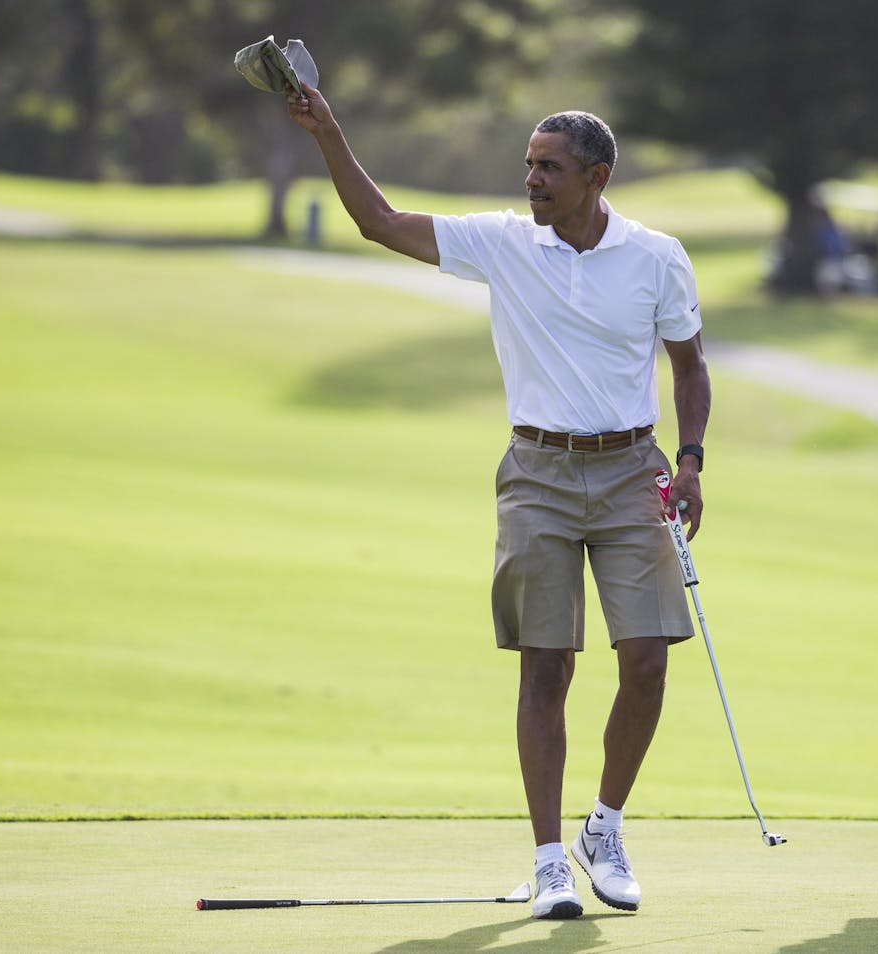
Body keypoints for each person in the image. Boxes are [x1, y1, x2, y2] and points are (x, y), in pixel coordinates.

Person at [287, 85, 710, 921]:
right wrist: (331, 131)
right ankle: (551, 859)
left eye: (548, 167)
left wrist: (692, 460)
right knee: (545, 663)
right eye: (527, 165)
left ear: (598, 175)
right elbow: (379, 221)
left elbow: (690, 366)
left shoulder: (658, 256)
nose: (531, 180)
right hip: (537, 473)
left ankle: (605, 828)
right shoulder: (505, 243)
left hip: (633, 472)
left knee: (649, 660)